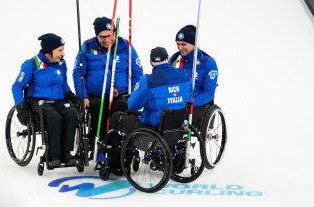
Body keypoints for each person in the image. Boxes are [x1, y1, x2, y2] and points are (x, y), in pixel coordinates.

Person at [105, 46, 192, 175]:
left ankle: (116, 162)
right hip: (177, 124)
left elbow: (133, 105)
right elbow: (189, 97)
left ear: (151, 63)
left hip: (153, 127)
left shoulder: (148, 80)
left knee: (119, 116)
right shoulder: (185, 75)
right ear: (168, 59)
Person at [12, 33, 80, 168]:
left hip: (58, 100)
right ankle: (54, 155)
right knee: (54, 117)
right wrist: (20, 107)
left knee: (71, 113)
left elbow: (64, 84)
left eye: (63, 49)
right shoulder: (31, 64)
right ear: (49, 51)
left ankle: (66, 153)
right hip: (37, 100)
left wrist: (71, 96)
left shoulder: (61, 63)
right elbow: (17, 87)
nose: (63, 53)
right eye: (60, 50)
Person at [73, 16, 143, 143]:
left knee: (120, 110)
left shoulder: (126, 46)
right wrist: (83, 96)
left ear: (115, 33)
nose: (107, 40)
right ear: (96, 36)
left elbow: (137, 72)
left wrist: (133, 93)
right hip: (95, 96)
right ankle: (97, 141)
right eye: (102, 37)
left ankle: (115, 144)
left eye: (110, 35)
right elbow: (78, 73)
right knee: (99, 110)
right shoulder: (87, 46)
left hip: (120, 94)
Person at [169, 25, 219, 124]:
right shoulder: (174, 59)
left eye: (183, 44)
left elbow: (208, 93)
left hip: (196, 105)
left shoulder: (208, 62)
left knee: (174, 118)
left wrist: (190, 102)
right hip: (174, 102)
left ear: (193, 43)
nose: (180, 48)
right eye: (178, 44)